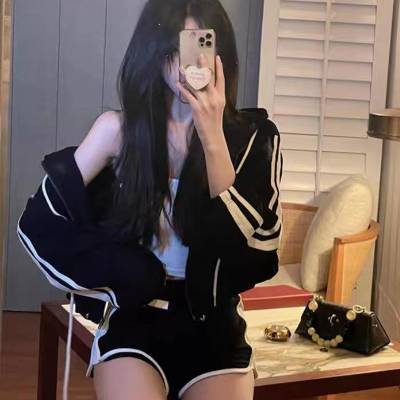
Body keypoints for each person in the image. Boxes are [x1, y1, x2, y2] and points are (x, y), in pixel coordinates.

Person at [17, 0, 283, 399]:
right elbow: (38, 223)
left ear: (220, 52)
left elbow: (244, 249)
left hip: (215, 324)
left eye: (198, 45)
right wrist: (122, 275)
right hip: (138, 320)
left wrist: (212, 132)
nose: (184, 64)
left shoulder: (254, 140)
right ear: (152, 51)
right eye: (172, 48)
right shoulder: (118, 131)